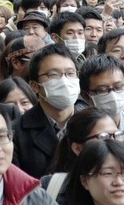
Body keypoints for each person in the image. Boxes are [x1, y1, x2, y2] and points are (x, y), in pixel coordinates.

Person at [13, 45, 80, 180]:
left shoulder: (96, 123)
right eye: (53, 75)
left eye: (70, 73)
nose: (64, 81)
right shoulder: (16, 133)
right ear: (35, 86)